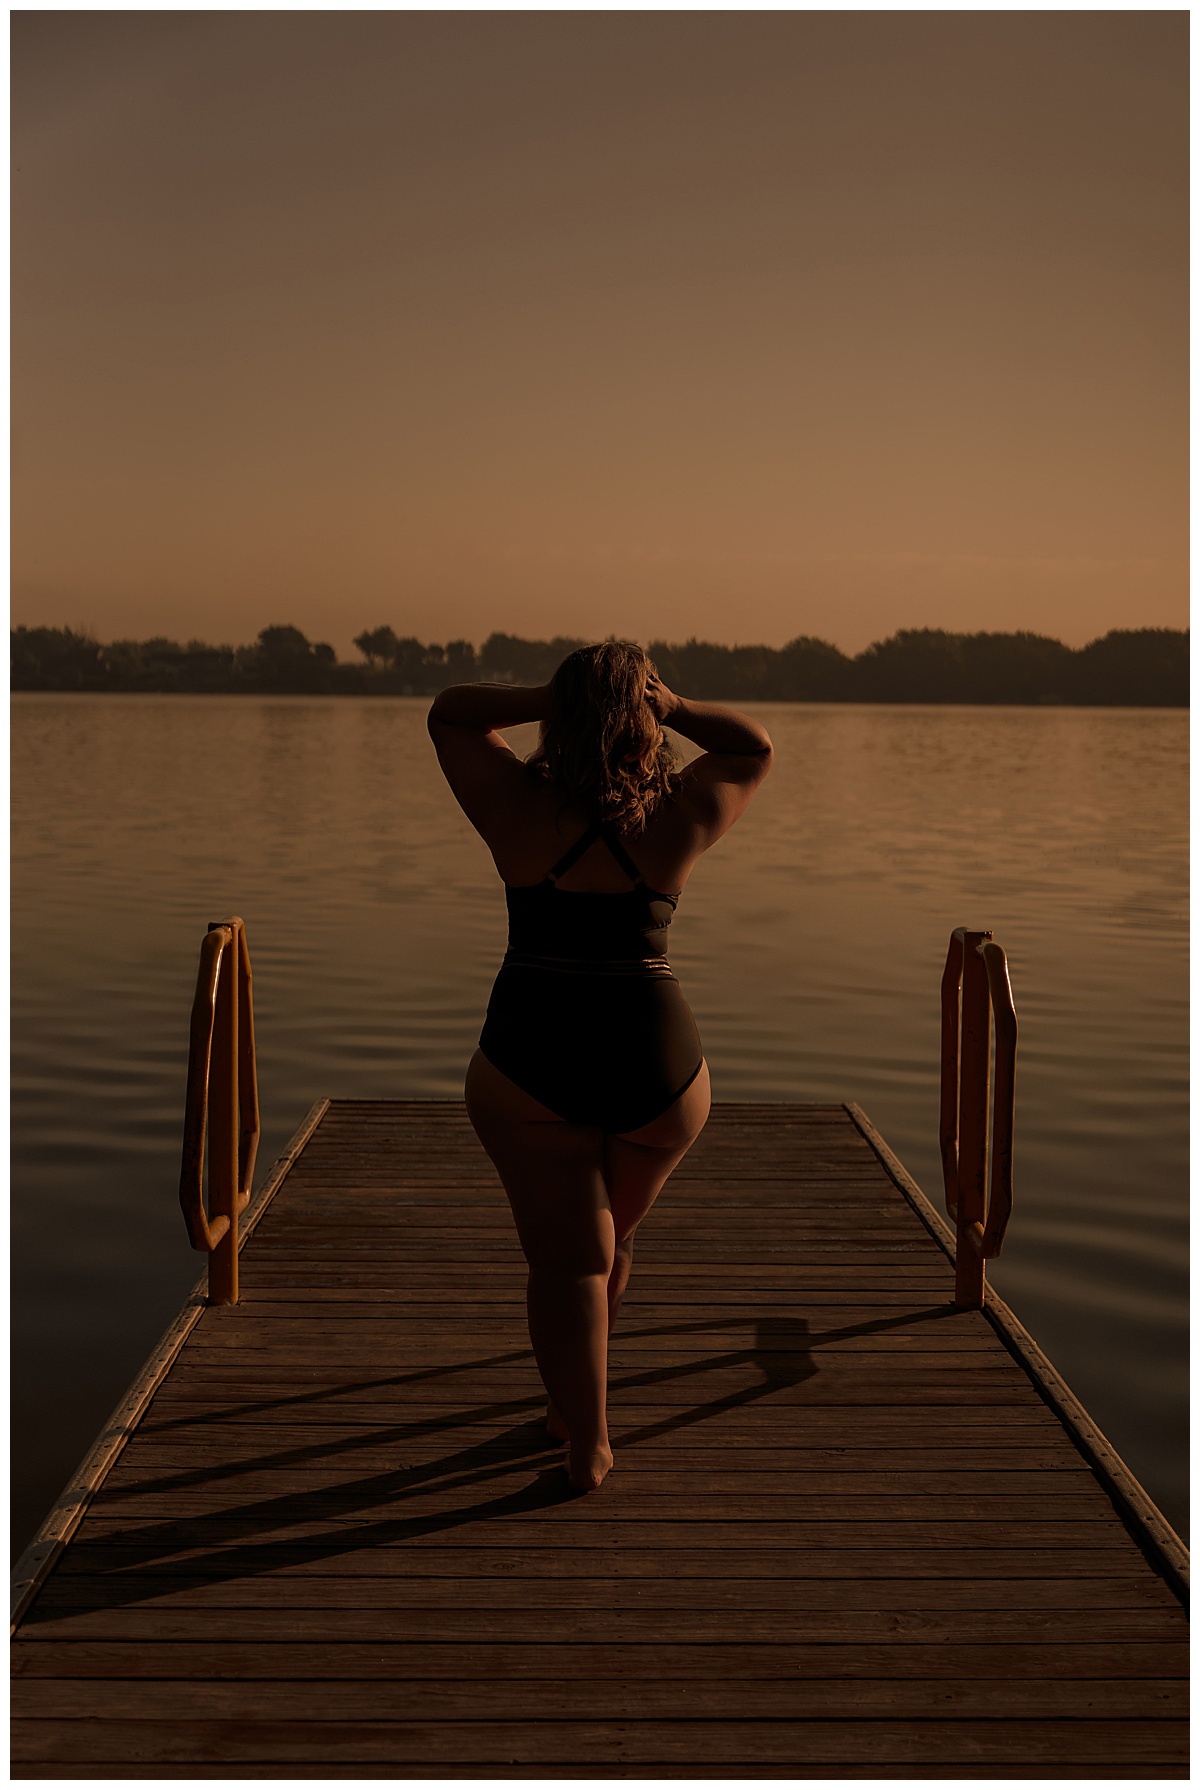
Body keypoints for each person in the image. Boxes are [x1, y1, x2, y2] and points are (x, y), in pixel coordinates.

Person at [428, 643, 772, 1490]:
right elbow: (754, 746)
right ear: (644, 716)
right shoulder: (681, 813)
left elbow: (451, 713)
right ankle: (570, 1412)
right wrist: (676, 706)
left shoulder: (512, 804)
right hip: (655, 1060)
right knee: (606, 1246)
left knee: (568, 1261)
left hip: (530, 1052)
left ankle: (587, 1441)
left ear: (561, 713)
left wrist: (552, 695)